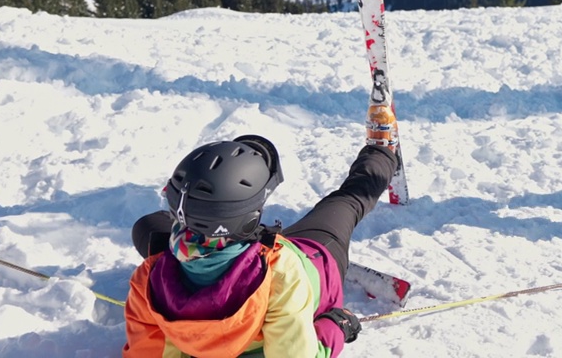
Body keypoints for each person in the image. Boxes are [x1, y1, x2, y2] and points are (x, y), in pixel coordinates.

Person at [122, 127, 399, 357]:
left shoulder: (148, 277)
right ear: (248, 218)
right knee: (347, 202)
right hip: (314, 264)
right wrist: (336, 327)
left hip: (233, 255)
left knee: (146, 227)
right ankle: (383, 150)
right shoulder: (279, 272)